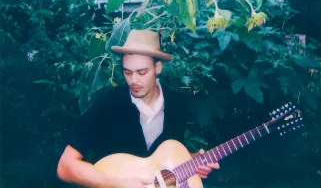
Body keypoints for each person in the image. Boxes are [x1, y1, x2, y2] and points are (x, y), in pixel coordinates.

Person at [57, 29, 220, 188]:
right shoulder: (109, 104)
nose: (133, 80)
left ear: (158, 68)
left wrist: (193, 162)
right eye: (127, 72)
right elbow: (65, 167)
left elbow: (162, 159)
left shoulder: (176, 105)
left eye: (141, 72)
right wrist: (120, 184)